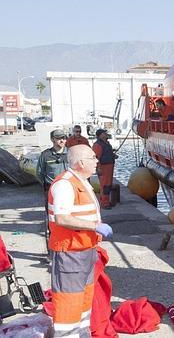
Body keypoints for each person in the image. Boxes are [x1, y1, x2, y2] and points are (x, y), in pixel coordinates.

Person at [48, 144, 113, 337]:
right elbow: (62, 218)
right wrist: (95, 226)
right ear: (81, 162)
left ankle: (82, 333)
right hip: (71, 253)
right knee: (69, 301)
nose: (96, 161)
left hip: (85, 251)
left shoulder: (81, 181)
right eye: (93, 158)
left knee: (84, 300)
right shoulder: (65, 184)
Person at [37, 129, 69, 247]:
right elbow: (40, 173)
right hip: (52, 190)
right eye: (59, 138)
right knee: (53, 219)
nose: (62, 140)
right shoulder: (45, 155)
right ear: (52, 140)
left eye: (64, 138)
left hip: (69, 190)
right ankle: (53, 246)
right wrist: (48, 187)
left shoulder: (70, 153)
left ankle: (68, 244)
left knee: (70, 216)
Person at [92, 129, 117, 209]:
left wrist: (113, 156)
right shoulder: (98, 145)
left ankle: (106, 201)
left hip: (109, 166)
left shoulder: (106, 143)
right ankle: (104, 203)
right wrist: (98, 168)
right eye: (104, 133)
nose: (106, 134)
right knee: (105, 185)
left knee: (108, 185)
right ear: (100, 135)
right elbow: (96, 158)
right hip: (103, 167)